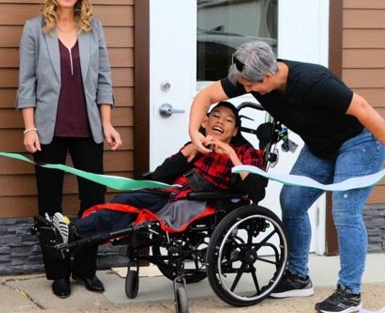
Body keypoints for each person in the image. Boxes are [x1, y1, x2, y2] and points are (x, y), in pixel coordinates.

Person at [188, 40, 385, 313]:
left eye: (250, 87)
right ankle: (297, 277)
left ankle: (350, 292)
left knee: (344, 212)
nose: (245, 91)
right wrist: (194, 131)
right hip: (320, 147)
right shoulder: (250, 77)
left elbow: (363, 108)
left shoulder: (314, 81)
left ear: (267, 77)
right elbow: (205, 97)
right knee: (291, 201)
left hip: (360, 142)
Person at [16, 0, 122, 299]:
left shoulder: (94, 28)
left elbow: (104, 79)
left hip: (88, 128)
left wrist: (107, 124)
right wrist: (29, 128)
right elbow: (26, 84)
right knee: (50, 204)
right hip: (48, 130)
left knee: (92, 199)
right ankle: (58, 272)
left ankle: (86, 268)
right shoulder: (34, 29)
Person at [38, 102, 265, 248]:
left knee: (147, 219)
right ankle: (73, 230)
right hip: (172, 193)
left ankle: (80, 232)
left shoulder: (246, 153)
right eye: (215, 116)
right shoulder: (194, 145)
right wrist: (188, 151)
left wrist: (231, 155)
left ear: (235, 131)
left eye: (228, 120)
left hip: (205, 202)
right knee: (126, 201)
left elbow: (256, 192)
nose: (220, 122)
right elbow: (160, 176)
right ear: (205, 122)